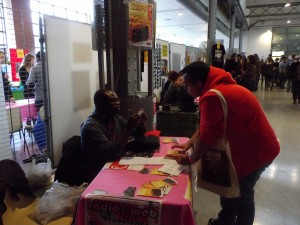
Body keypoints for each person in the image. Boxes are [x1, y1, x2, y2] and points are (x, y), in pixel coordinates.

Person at [171, 61, 280, 225]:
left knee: (243, 193)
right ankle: (225, 220)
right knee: (228, 184)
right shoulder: (219, 87)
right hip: (250, 146)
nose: (185, 88)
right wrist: (191, 142)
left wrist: (192, 159)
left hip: (256, 152)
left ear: (199, 84)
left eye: (187, 85)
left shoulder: (213, 95)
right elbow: (208, 124)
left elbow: (208, 136)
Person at [80, 88, 148, 182]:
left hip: (114, 164)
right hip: (99, 173)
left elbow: (135, 134)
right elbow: (112, 153)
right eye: (113, 101)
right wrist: (128, 128)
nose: (118, 103)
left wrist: (140, 124)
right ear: (100, 104)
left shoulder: (115, 118)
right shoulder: (91, 127)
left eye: (117, 100)